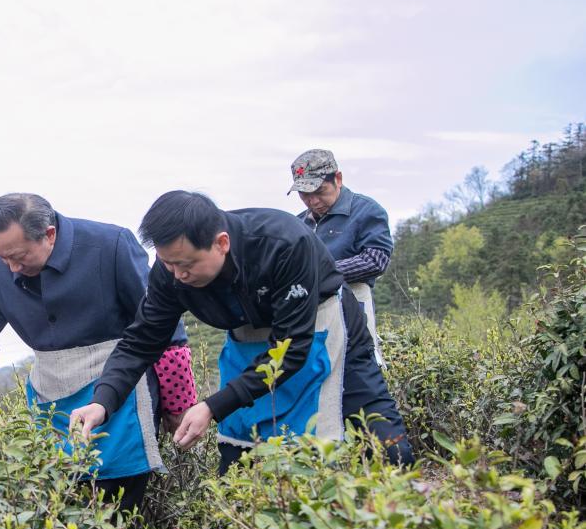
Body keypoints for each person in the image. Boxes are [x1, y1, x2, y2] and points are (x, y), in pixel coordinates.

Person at [69, 190, 412, 474]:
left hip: (323, 332)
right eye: (168, 263)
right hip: (248, 348)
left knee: (389, 453)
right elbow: (140, 342)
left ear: (221, 243)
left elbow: (291, 349)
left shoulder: (283, 242)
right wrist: (103, 401)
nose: (177, 275)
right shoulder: (170, 271)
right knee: (240, 469)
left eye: (186, 264)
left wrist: (212, 407)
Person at [0, 193, 195, 513]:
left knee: (116, 502)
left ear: (49, 235)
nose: (12, 267)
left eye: (19, 257)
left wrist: (179, 403)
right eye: (3, 256)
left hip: (119, 388)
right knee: (57, 496)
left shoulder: (110, 245)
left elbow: (162, 325)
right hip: (52, 393)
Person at [290, 149, 393, 363]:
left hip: (353, 307)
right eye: (304, 195)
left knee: (357, 373)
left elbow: (376, 260)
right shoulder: (297, 224)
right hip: (310, 315)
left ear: (338, 178)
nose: (313, 201)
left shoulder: (365, 211)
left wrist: (320, 273)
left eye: (319, 191)